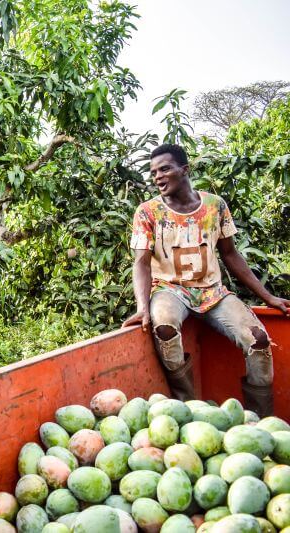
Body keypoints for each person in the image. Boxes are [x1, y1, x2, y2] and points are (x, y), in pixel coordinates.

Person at [122, 143, 288, 416]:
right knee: (164, 328)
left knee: (258, 340)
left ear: (185, 170)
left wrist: (267, 296)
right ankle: (189, 408)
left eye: (165, 169)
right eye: (153, 172)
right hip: (170, 290)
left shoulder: (215, 206)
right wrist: (142, 307)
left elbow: (231, 255)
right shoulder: (148, 212)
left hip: (213, 292)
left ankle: (260, 419)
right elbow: (141, 262)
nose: (158, 177)